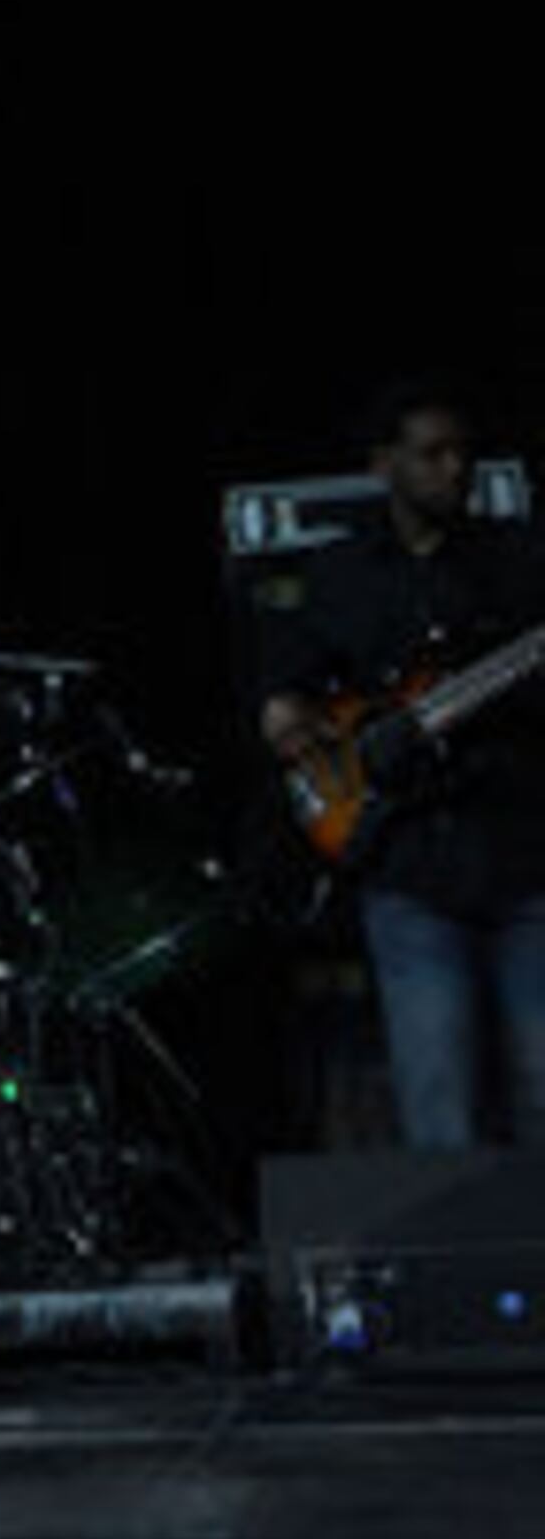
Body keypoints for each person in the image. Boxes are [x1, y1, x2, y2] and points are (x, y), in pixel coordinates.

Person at [258, 382, 545, 1147]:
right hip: (408, 865)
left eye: (464, 455)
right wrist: (284, 714)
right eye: (433, 454)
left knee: (543, 1085)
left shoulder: (521, 558)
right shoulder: (340, 572)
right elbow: (285, 679)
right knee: (436, 1101)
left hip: (522, 851)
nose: (455, 470)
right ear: (385, 463)